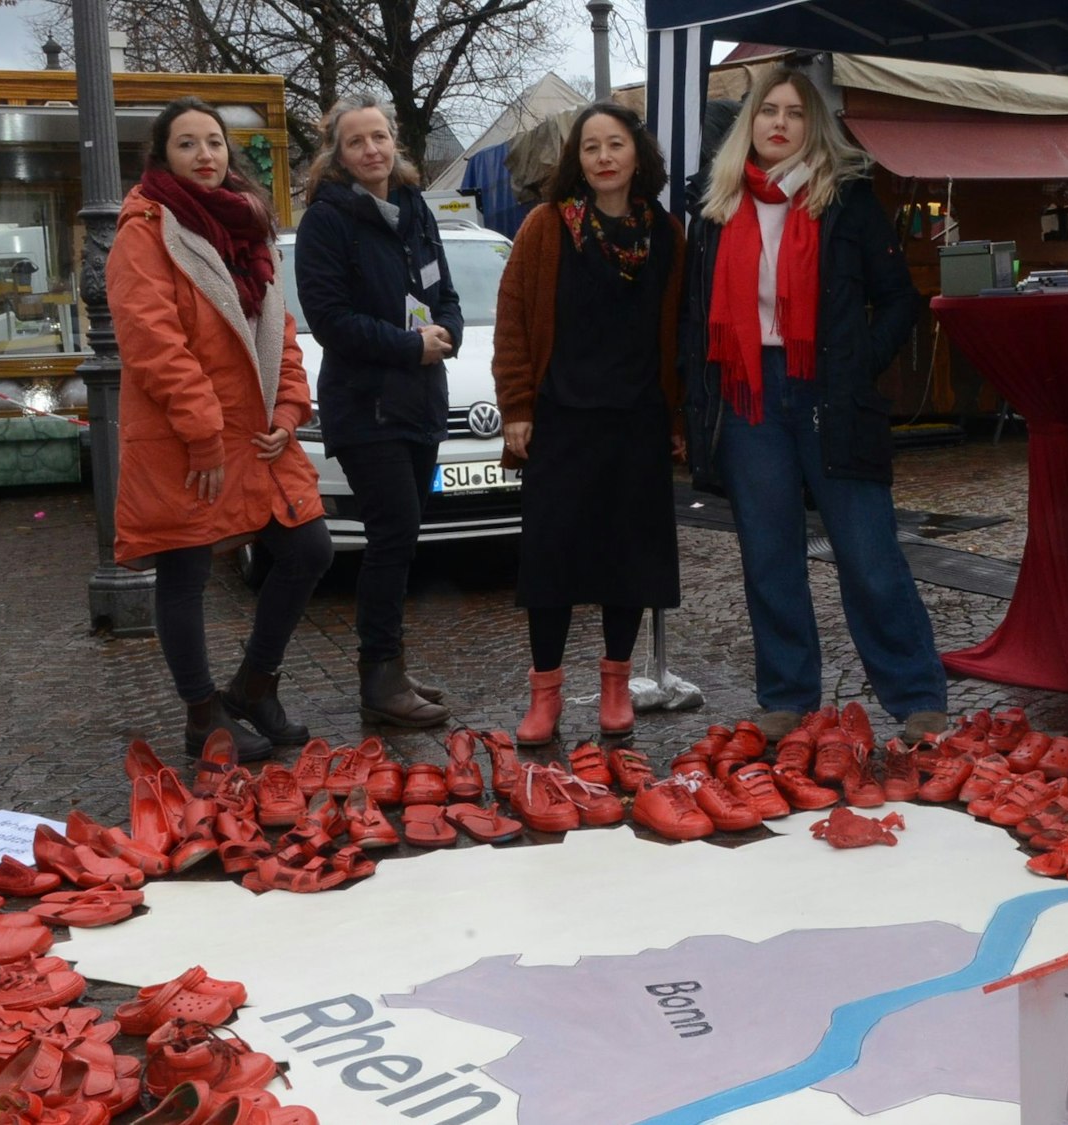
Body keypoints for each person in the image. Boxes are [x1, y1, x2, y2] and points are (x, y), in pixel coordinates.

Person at [682, 66, 948, 743]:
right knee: (769, 553)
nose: (779, 124)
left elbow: (898, 299)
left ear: (814, 125)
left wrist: (858, 366)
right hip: (748, 391)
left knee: (867, 550)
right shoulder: (714, 205)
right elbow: (691, 315)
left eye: (795, 113)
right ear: (749, 123)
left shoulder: (847, 199)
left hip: (830, 389)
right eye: (767, 110)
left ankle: (917, 697)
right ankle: (787, 695)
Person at [107, 96, 333, 761]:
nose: (205, 154)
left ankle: (254, 683)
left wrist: (291, 410)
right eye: (187, 143)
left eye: (214, 141)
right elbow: (153, 341)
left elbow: (279, 332)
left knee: (309, 548)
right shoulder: (144, 230)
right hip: (185, 437)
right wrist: (204, 431)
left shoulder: (249, 228)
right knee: (183, 566)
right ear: (162, 155)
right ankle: (203, 711)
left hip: (257, 433)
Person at [493, 103, 685, 745]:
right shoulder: (547, 228)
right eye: (591, 147)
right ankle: (544, 693)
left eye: (616, 145)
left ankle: (615, 686)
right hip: (561, 421)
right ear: (576, 159)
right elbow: (513, 319)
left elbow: (677, 330)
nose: (604, 157)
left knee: (627, 559)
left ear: (638, 155)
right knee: (551, 562)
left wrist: (678, 415)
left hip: (636, 421)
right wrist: (517, 406)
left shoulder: (664, 231)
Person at [294, 94, 462, 728]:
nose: (371, 149)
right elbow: (331, 321)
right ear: (337, 153)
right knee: (391, 537)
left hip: (420, 401)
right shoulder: (327, 220)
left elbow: (442, 289)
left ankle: (391, 663)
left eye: (380, 137)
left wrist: (447, 332)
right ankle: (379, 678)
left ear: (396, 143)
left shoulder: (415, 207)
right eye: (357, 141)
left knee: (403, 537)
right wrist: (410, 346)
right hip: (365, 408)